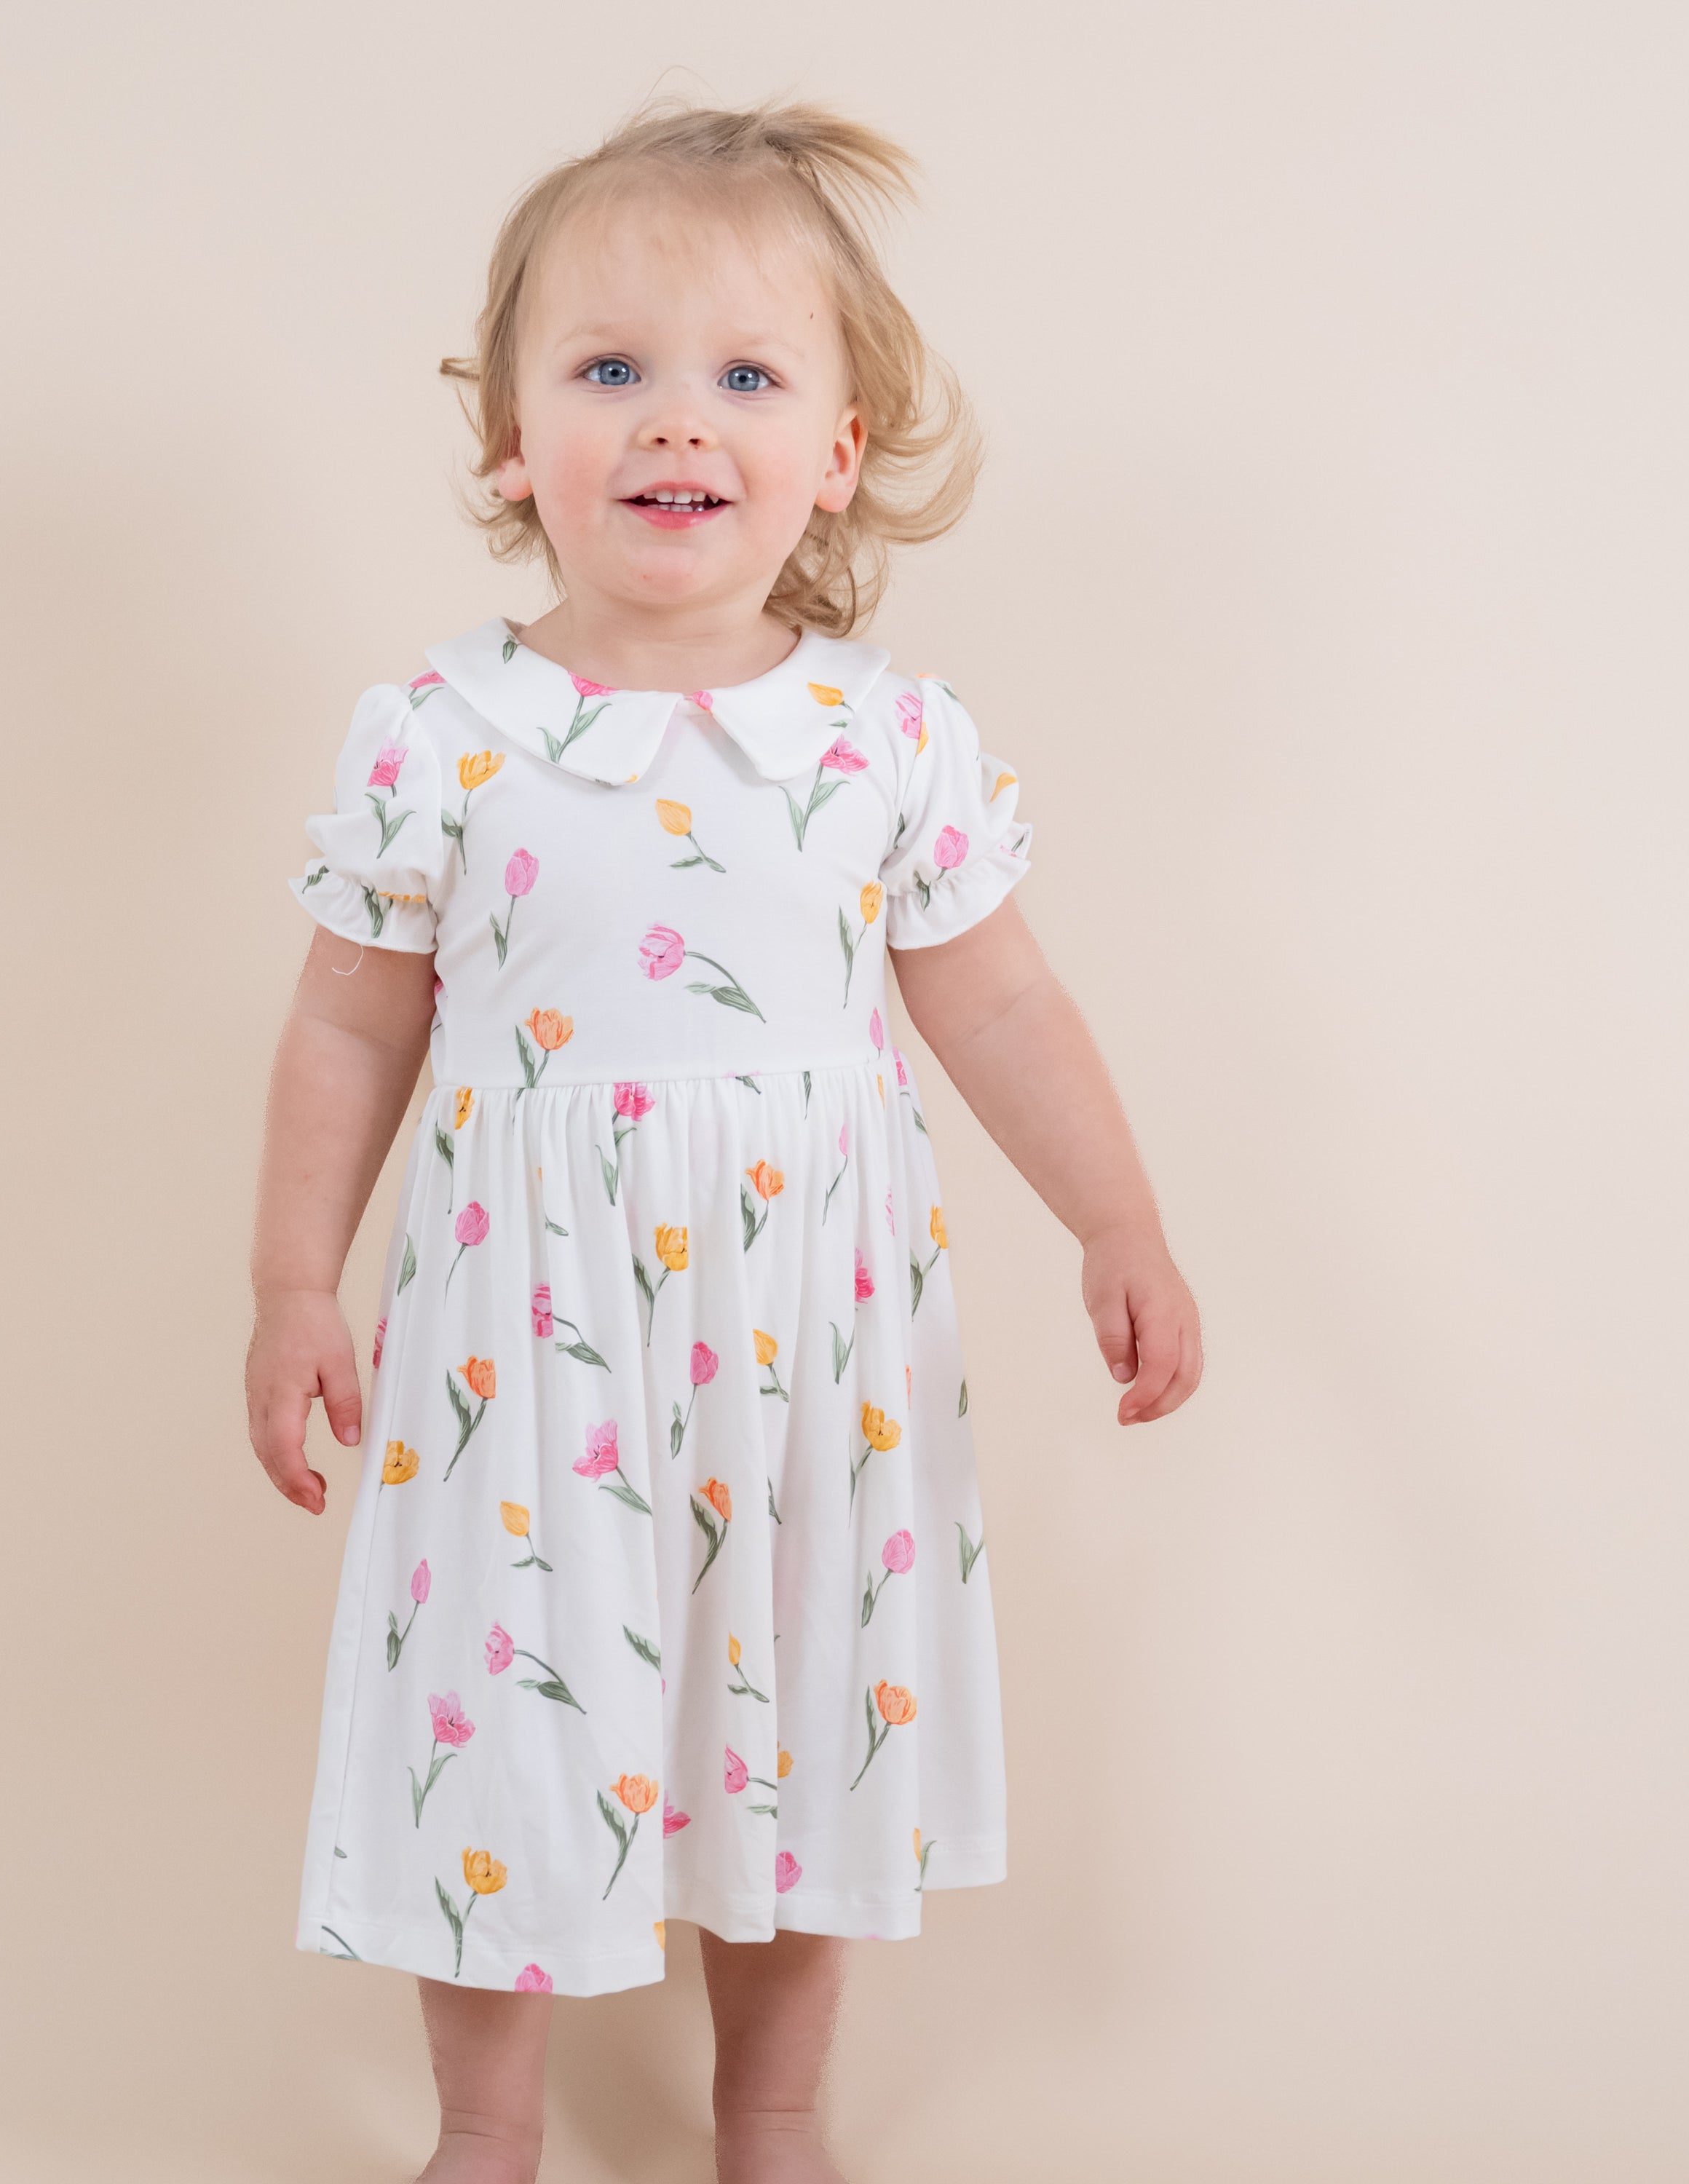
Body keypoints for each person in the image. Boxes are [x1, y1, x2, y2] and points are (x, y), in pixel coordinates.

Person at [247, 95, 1203, 2184]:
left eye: (747, 378)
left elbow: (1001, 996)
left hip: (805, 1345)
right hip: (526, 1336)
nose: (677, 423)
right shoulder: (445, 734)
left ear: (836, 455)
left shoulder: (884, 744)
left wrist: (1114, 1220)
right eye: (610, 371)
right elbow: (351, 1016)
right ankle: (483, 2126)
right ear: (513, 438)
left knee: (797, 1716)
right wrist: (291, 1279)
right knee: (508, 1713)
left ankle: (771, 2115)